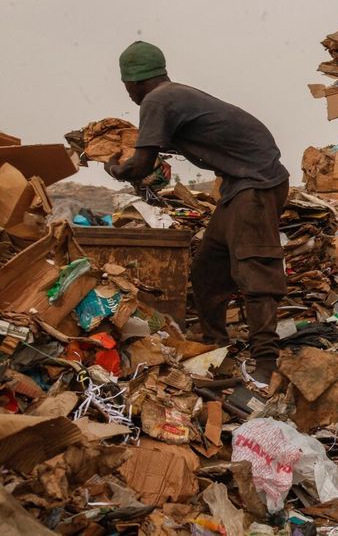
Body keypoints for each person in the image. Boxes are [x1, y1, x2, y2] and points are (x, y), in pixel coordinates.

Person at [107, 40, 290, 384]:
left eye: (126, 87)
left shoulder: (156, 100)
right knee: (209, 266)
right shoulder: (172, 95)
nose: (128, 94)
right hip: (239, 184)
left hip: (257, 184)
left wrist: (115, 169)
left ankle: (267, 363)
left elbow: (141, 164)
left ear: (131, 81)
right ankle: (215, 344)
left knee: (255, 270)